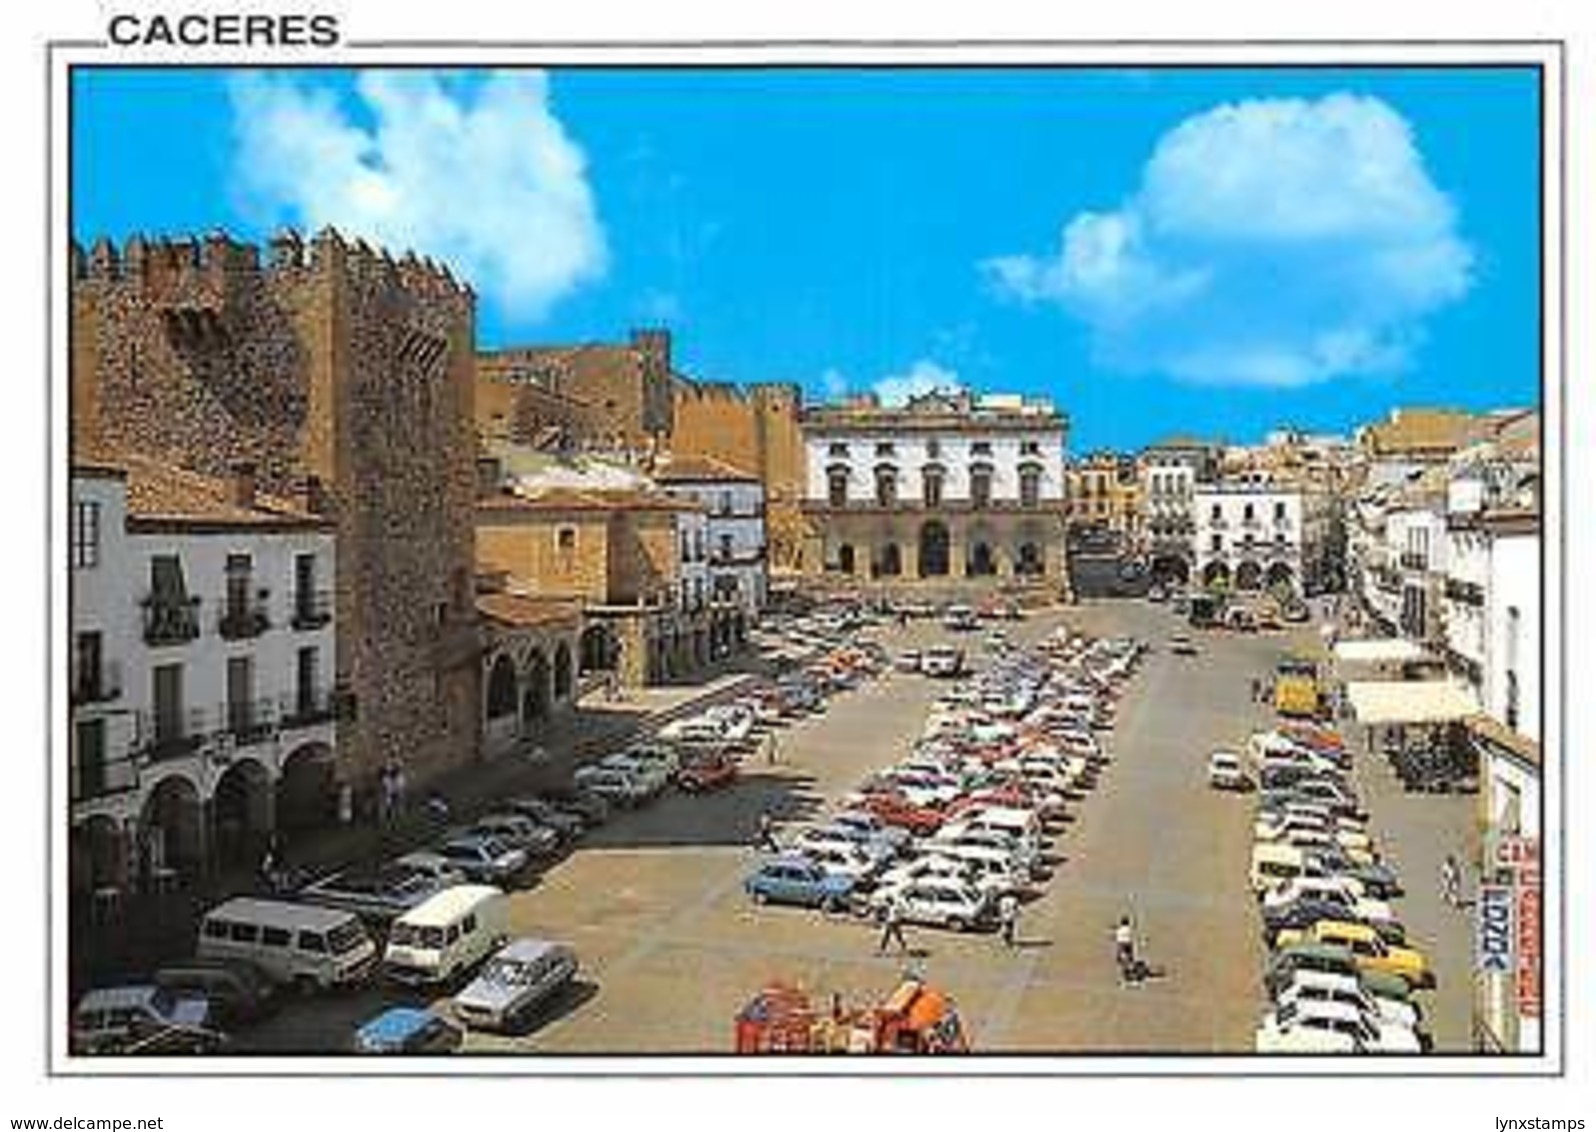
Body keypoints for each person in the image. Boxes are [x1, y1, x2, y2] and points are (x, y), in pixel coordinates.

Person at [1114, 915, 1137, 983]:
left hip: (1121, 945)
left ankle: (1121, 977)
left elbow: (1116, 938)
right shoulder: (1128, 929)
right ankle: (1130, 975)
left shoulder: (1119, 930)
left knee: (1120, 962)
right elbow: (1132, 931)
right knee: (1130, 960)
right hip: (1127, 945)